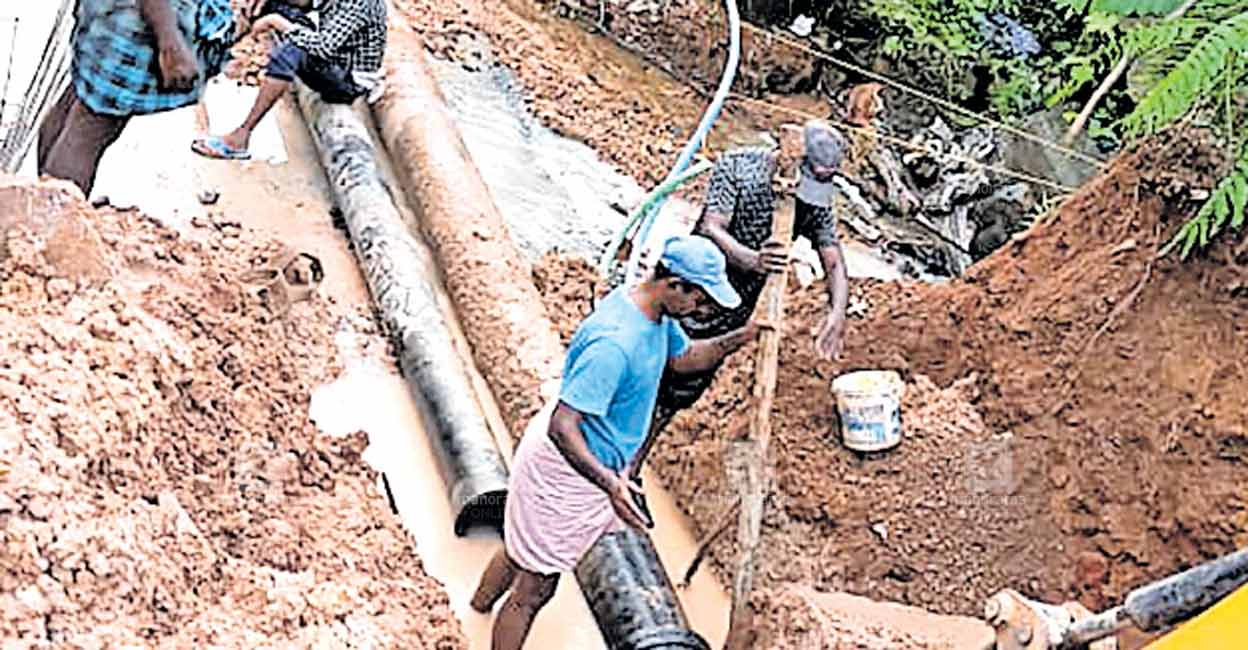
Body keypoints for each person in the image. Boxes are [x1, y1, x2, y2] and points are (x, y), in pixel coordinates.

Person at [469, 236, 766, 650]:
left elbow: (683, 360)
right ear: (674, 283)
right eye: (698, 299)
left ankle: (477, 607)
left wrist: (740, 338)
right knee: (535, 590)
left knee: (523, 550)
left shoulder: (654, 318)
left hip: (589, 462)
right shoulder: (614, 343)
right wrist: (612, 484)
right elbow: (563, 425)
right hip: (567, 469)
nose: (701, 310)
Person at [629, 120, 852, 482]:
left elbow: (833, 259)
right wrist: (753, 260)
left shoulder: (814, 202)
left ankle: (633, 469)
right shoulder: (738, 167)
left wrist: (837, 311)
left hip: (733, 308)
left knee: (679, 393)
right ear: (790, 155)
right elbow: (711, 227)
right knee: (644, 369)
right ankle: (605, 452)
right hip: (690, 290)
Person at [39, 0, 238, 194]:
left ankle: (37, 196)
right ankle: (51, 214)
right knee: (91, 129)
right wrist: (170, 44)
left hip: (123, 12)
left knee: (79, 103)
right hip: (143, 18)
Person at [192, 0, 386, 160]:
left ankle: (240, 137)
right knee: (275, 6)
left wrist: (276, 22)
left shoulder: (361, 3)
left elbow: (322, 46)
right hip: (335, 58)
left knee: (292, 50)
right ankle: (223, 53)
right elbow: (308, 4)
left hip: (346, 81)